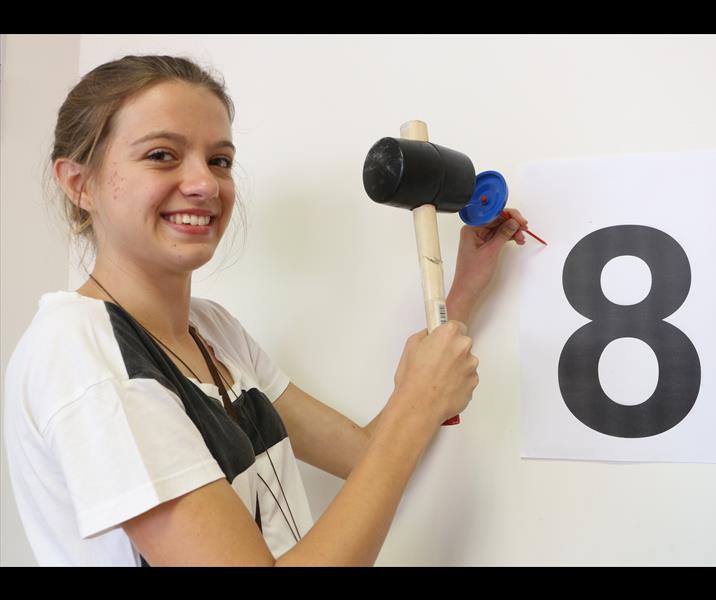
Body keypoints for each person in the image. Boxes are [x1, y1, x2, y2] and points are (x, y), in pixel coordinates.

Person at [3, 55, 531, 567]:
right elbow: (394, 442)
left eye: (220, 160)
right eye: (162, 155)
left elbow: (366, 454)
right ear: (79, 183)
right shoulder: (83, 355)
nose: (205, 184)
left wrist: (462, 293)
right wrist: (417, 404)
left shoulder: (212, 330)